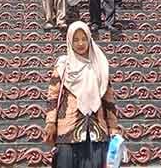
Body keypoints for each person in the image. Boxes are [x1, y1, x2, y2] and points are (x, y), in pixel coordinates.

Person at [44, 21, 119, 167]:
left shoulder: (100, 65)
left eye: (84, 39)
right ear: (70, 41)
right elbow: (52, 97)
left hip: (96, 132)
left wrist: (114, 128)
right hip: (68, 132)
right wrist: (51, 122)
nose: (80, 43)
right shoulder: (62, 66)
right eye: (76, 39)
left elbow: (108, 100)